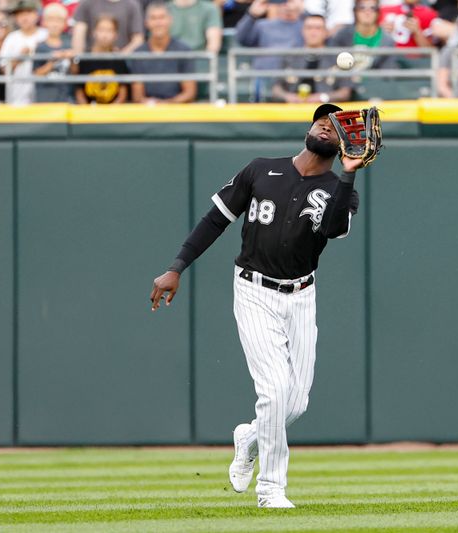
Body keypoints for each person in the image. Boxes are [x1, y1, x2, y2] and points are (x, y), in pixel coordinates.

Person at [149, 103, 369, 509]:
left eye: (335, 127)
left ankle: (250, 436)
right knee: (273, 391)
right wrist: (176, 266)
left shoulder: (341, 190)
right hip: (253, 289)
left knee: (296, 403)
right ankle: (271, 489)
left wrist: (349, 170)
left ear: (343, 144)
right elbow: (215, 220)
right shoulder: (260, 169)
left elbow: (335, 227)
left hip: (301, 295)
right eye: (321, 120)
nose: (325, 126)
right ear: (308, 127)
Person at [272, 14, 354, 103]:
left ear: (326, 32)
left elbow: (345, 92)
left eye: (318, 28)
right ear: (302, 31)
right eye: (309, 28)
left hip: (325, 112)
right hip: (293, 111)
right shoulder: (290, 57)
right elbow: (276, 88)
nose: (313, 32)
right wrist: (288, 97)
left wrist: (323, 97)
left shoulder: (337, 58)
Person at [128, 1, 196, 103]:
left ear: (170, 20)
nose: (158, 23)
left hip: (178, 110)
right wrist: (153, 105)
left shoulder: (184, 51)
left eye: (162, 17)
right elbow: (138, 96)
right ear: (146, 23)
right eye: (153, 18)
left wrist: (168, 104)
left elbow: (189, 93)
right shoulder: (139, 54)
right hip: (148, 111)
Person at [0, 0, 48, 104]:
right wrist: (19, 58)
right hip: (17, 96)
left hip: (44, 94)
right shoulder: (11, 38)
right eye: (20, 14)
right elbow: (3, 69)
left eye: (28, 12)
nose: (24, 17)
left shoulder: (46, 35)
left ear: (37, 14)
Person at [328, 0, 398, 70]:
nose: (367, 12)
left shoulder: (387, 41)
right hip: (346, 79)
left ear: (378, 12)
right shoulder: (343, 35)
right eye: (362, 7)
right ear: (355, 11)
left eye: (373, 8)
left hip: (374, 80)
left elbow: (387, 73)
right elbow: (332, 63)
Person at [74, 15, 129, 104]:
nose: (105, 35)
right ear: (94, 32)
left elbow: (123, 92)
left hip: (113, 113)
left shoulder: (118, 60)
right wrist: (86, 112)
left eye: (109, 30)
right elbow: (79, 90)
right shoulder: (85, 58)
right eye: (101, 30)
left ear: (116, 34)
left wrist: (111, 112)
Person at [235, 0, 304, 70]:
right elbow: (242, 39)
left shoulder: (306, 26)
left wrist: (302, 10)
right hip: (265, 74)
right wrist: (252, 15)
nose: (287, 5)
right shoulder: (263, 25)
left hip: (294, 75)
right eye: (284, 2)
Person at [33, 3, 74, 102]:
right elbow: (36, 73)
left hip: (66, 97)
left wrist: (72, 59)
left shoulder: (69, 45)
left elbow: (74, 71)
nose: (55, 24)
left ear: (65, 23)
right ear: (44, 22)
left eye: (59, 20)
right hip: (45, 98)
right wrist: (52, 62)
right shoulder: (40, 47)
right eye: (51, 20)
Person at [71, 0, 144, 54]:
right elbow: (79, 33)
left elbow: (138, 39)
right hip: (91, 58)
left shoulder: (132, 4)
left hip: (121, 62)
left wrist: (121, 57)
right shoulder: (87, 2)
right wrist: (80, 59)